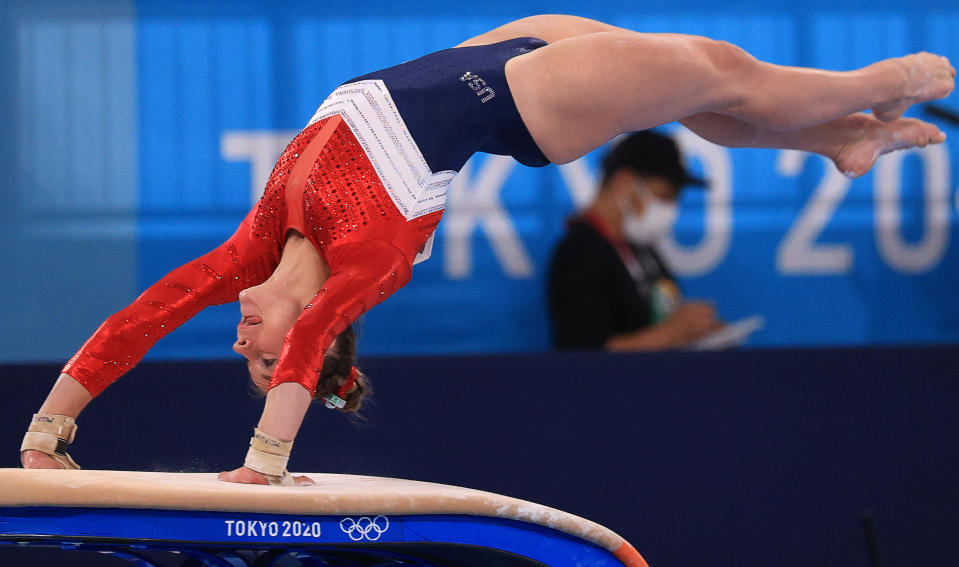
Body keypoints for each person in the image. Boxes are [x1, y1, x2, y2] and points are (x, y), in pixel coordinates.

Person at [19, 14, 954, 486]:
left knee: (702, 102)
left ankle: (838, 142)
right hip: (523, 99)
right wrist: (264, 464)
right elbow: (308, 357)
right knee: (724, 76)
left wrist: (47, 430)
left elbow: (136, 320)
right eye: (263, 358)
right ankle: (870, 89)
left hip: (493, 54)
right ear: (308, 337)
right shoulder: (366, 265)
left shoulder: (252, 248)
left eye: (247, 355)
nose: (240, 343)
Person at [549, 130, 724, 350]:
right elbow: (582, 352)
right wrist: (671, 334)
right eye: (664, 195)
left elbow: (661, 317)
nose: (670, 209)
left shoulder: (642, 249)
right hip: (609, 384)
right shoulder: (579, 252)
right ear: (625, 182)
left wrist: (696, 333)